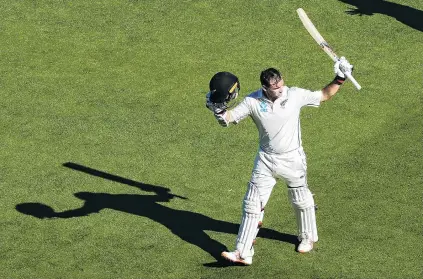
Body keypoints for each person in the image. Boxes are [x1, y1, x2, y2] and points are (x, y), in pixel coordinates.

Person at [205, 57, 354, 265]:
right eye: (275, 88)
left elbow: (324, 95)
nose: (279, 90)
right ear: (264, 87)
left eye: (281, 84)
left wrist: (340, 77)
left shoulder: (294, 95)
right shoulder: (253, 101)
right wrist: (218, 110)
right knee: (251, 204)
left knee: (300, 199)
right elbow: (228, 119)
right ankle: (242, 252)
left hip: (293, 159)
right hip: (265, 160)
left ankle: (308, 237)